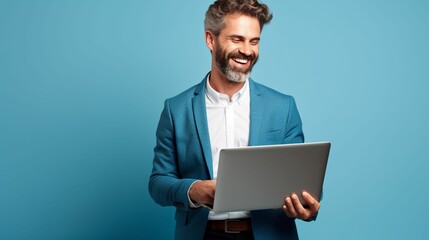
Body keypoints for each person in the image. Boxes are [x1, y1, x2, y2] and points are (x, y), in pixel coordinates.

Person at [149, 0, 320, 239]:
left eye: (254, 41)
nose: (247, 51)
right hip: (203, 234)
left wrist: (306, 208)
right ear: (211, 39)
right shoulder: (176, 109)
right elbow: (158, 183)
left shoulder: (283, 107)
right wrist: (194, 190)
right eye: (237, 39)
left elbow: (298, 184)